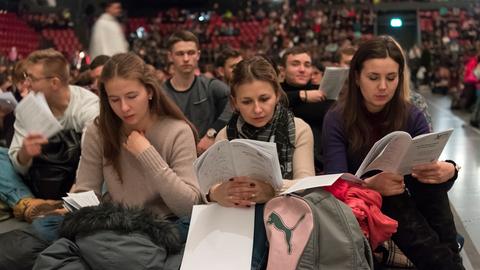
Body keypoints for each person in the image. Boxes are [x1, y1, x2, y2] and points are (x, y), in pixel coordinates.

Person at [322, 36, 464, 270]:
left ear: (400, 78)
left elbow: (431, 179)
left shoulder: (412, 113)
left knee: (431, 183)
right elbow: (334, 185)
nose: (383, 87)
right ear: (357, 77)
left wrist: (448, 170)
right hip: (367, 203)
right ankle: (450, 264)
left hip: (414, 197)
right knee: (392, 194)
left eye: (391, 78)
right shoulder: (337, 118)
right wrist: (370, 185)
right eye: (373, 78)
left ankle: (448, 262)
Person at [205, 56, 314, 269]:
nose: (257, 109)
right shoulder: (225, 135)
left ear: (277, 95)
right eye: (247, 102)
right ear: (234, 103)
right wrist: (217, 193)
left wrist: (272, 190)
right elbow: (208, 188)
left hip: (285, 216)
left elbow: (306, 184)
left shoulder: (299, 129)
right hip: (234, 221)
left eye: (264, 99)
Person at [72, 52, 201, 218]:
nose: (124, 107)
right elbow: (86, 190)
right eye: (114, 100)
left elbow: (189, 208)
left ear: (149, 92)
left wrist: (147, 155)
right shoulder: (98, 130)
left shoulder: (178, 131)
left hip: (163, 225)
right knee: (44, 229)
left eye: (131, 96)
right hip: (115, 222)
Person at [0, 48, 99, 223]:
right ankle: (29, 203)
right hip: (39, 180)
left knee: (109, 161)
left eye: (32, 79)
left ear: (54, 82)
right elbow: (18, 166)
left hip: (77, 180)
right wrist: (24, 154)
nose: (26, 84)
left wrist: (76, 196)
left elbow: (93, 164)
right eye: (26, 77)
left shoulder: (89, 107)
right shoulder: (27, 109)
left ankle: (67, 208)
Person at [163, 30, 232, 155]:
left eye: (191, 53)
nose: (186, 59)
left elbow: (235, 102)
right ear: (170, 56)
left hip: (207, 155)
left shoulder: (210, 86)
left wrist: (212, 133)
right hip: (173, 156)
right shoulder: (161, 93)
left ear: (198, 55)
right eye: (180, 54)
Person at [280, 46, 335, 173]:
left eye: (307, 65)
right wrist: (301, 95)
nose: (302, 70)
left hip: (324, 161)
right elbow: (274, 103)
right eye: (295, 64)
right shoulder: (276, 92)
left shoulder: (321, 91)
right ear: (282, 70)